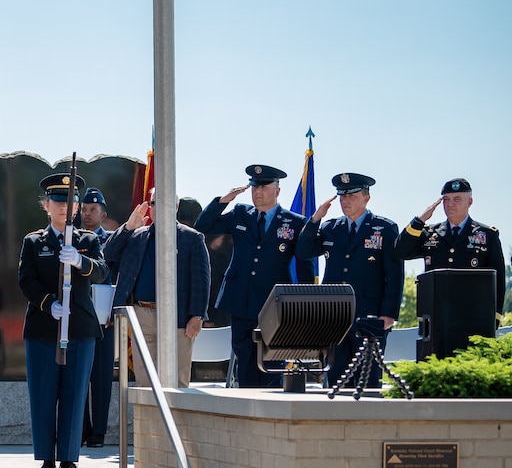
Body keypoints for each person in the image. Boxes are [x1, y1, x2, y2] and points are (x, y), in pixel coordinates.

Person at [18, 172, 107, 468]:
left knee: (74, 394)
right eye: (57, 201)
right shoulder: (34, 241)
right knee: (43, 395)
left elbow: (101, 271)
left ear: (76, 206)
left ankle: (69, 460)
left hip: (80, 329)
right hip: (44, 328)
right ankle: (45, 461)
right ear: (46, 205)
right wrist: (48, 303)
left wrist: (81, 262)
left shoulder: (88, 240)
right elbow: (25, 281)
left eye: (68, 202)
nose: (62, 207)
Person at [194, 164, 317, 388]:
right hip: (241, 299)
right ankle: (248, 408)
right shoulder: (240, 213)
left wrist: (305, 302)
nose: (257, 192)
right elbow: (203, 225)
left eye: (263, 187)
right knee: (246, 359)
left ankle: (271, 413)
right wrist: (224, 200)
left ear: (277, 191)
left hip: (275, 303)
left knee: (274, 362)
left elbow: (304, 265)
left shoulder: (295, 223)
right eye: (254, 187)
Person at [297, 173, 404, 388]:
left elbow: (394, 274)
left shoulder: (384, 228)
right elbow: (303, 252)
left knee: (368, 378)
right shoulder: (330, 228)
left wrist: (389, 314)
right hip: (334, 315)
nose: (345, 201)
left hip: (370, 314)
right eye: (342, 196)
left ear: (366, 198)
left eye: (351, 196)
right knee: (336, 376)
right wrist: (315, 219)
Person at [104, 188, 211, 387]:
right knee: (145, 381)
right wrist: (127, 227)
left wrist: (197, 316)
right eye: (153, 203)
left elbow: (201, 280)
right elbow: (108, 253)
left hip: (177, 318)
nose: (156, 207)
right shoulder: (136, 236)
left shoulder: (192, 238)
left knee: (177, 382)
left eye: (163, 202)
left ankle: (175, 419)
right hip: (142, 314)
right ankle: (149, 419)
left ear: (176, 207)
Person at [396, 177, 505, 319]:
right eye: (446, 199)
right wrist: (419, 221)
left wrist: (494, 318)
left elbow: (499, 280)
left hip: (474, 316)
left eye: (457, 199)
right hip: (437, 316)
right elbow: (400, 251)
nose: (450, 204)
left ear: (469, 202)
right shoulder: (431, 233)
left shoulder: (487, 235)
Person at [79, 187, 114, 447]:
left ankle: (99, 432)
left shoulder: (112, 241)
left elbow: (120, 280)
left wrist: (113, 309)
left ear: (103, 214)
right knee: (78, 375)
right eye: (84, 210)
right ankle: (81, 429)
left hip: (105, 318)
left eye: (93, 210)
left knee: (101, 376)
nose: (87, 214)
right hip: (79, 316)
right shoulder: (74, 239)